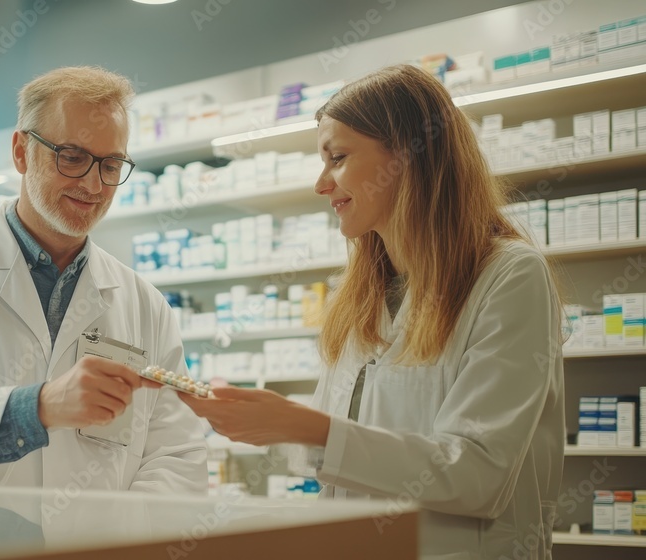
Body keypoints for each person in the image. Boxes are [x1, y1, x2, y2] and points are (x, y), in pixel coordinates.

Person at [179, 64, 564, 559]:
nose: (321, 184)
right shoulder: (360, 297)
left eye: (337, 158)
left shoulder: (509, 276)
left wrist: (304, 426)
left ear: (408, 156)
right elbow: (341, 455)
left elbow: (478, 475)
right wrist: (272, 425)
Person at [0, 66, 207, 493]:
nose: (93, 184)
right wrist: (39, 407)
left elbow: (177, 454)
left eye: (112, 164)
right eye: (72, 157)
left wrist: (122, 538)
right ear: (21, 152)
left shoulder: (146, 304)